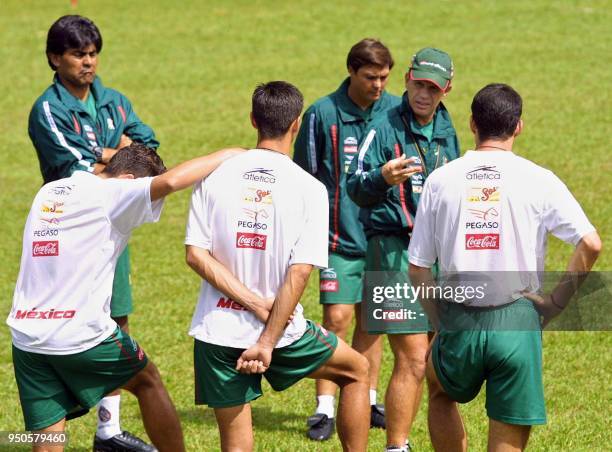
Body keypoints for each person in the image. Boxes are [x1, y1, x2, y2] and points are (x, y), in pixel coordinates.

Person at [7, 143, 243, 452]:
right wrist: (228, 154)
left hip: (27, 335)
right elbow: (171, 182)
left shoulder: (51, 191)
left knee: (49, 434)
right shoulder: (112, 194)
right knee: (147, 380)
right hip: (79, 335)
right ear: (129, 180)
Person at [408, 83, 601, 451]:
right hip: (517, 320)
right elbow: (590, 243)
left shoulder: (441, 180)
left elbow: (418, 268)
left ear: (471, 124)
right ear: (518, 127)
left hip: (459, 318)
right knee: (508, 426)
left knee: (439, 390)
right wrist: (556, 303)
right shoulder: (539, 179)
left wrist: (438, 322)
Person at [185, 81, 370, 452]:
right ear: (296, 124)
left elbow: (196, 255)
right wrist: (267, 339)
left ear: (253, 120)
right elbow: (300, 271)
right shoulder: (310, 188)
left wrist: (250, 303)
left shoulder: (214, 176)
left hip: (216, 331)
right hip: (282, 333)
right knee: (357, 371)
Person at [27, 15, 160, 450]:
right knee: (68, 321)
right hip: (67, 229)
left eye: (92, 54)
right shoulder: (47, 109)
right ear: (54, 58)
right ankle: (53, 418)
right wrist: (116, 151)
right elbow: (75, 166)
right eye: (77, 54)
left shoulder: (115, 101)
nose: (88, 62)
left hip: (109, 227)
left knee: (116, 319)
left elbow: (149, 151)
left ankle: (108, 430)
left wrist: (118, 154)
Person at [346, 47, 459, 451]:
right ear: (407, 79)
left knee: (429, 359)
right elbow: (354, 187)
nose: (423, 94)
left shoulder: (447, 131)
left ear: (445, 89)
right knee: (412, 357)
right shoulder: (384, 124)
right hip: (392, 252)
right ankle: (397, 445)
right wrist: (382, 177)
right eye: (417, 84)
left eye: (432, 87)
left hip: (434, 259)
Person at [293, 38, 400, 440]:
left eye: (384, 78)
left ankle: (368, 397)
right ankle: (324, 407)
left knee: (374, 321)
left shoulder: (395, 110)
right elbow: (304, 176)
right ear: (352, 71)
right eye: (370, 77)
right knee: (336, 318)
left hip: (384, 237)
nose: (378, 85)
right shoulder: (322, 114)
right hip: (336, 237)